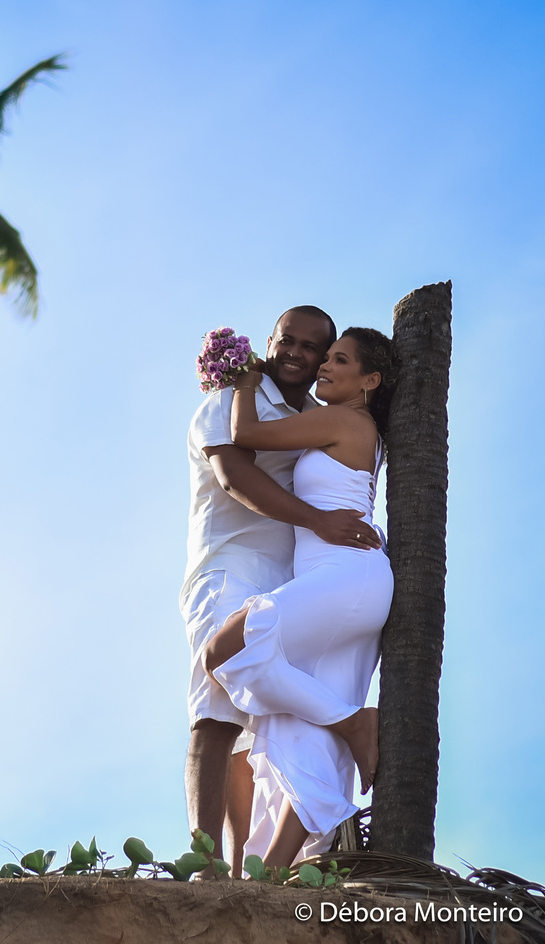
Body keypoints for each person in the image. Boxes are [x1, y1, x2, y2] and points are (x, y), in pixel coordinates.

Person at [181, 307, 382, 877]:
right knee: (218, 713)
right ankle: (208, 864)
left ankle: (249, 867)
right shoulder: (226, 402)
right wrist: (321, 524)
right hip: (229, 567)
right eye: (286, 340)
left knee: (267, 731)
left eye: (313, 347)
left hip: (297, 581)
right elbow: (234, 476)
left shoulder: (325, 416)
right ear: (268, 344)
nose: (297, 352)